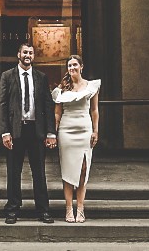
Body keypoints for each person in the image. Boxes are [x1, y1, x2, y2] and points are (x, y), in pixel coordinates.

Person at [0, 42, 56, 224]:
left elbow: (48, 105)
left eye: (30, 52)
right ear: (18, 54)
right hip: (16, 130)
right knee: (14, 172)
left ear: (33, 56)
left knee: (39, 172)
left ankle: (43, 210)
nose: (27, 55)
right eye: (25, 52)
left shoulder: (41, 77)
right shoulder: (7, 76)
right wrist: (5, 132)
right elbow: (2, 106)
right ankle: (12, 209)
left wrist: (51, 133)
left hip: (36, 130)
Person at [52, 54, 100, 224]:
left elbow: (94, 110)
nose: (72, 68)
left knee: (83, 170)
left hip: (84, 129)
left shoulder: (91, 87)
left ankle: (80, 208)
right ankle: (68, 209)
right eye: (69, 66)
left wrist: (95, 131)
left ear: (81, 66)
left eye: (75, 65)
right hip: (66, 130)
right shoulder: (62, 88)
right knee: (67, 170)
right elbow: (57, 113)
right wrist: (54, 133)